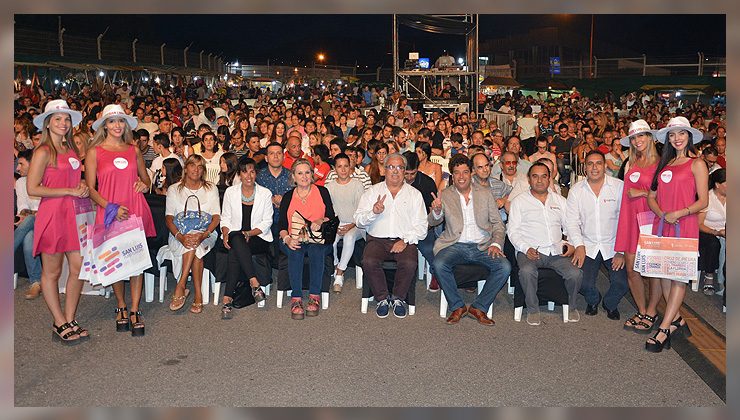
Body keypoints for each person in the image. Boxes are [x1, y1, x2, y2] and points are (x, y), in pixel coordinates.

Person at [86, 104, 155, 337]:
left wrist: (144, 185)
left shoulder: (133, 149)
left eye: (121, 121)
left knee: (136, 260)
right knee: (114, 260)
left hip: (134, 208)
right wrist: (111, 208)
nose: (117, 125)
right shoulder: (94, 151)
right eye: (112, 121)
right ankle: (121, 306)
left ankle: (135, 309)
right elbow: (90, 188)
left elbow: (147, 180)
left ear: (126, 124)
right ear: (104, 125)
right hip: (110, 211)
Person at [27, 100, 89, 344]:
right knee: (52, 272)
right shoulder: (43, 151)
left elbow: (73, 180)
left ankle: (69, 318)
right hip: (53, 214)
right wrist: (68, 190)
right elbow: (33, 188)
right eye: (58, 119)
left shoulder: (71, 148)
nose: (63, 123)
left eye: (66, 119)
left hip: (74, 214)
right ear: (48, 123)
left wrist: (80, 186)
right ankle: (59, 320)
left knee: (79, 267)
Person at [644, 117, 708, 352]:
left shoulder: (697, 164)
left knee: (678, 276)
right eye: (672, 135)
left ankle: (664, 329)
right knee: (663, 274)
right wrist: (663, 214)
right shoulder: (665, 164)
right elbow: (651, 196)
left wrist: (680, 212)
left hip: (685, 225)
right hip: (664, 224)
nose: (676, 138)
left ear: (689, 136)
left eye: (681, 133)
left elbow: (703, 200)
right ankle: (677, 320)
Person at [429, 154, 512, 325]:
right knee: (438, 264)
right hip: (455, 244)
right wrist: (436, 211)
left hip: (482, 245)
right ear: (452, 175)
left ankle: (479, 307)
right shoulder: (445, 194)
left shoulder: (484, 194)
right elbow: (433, 221)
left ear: (471, 173)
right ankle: (457, 305)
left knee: (504, 267)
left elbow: (498, 224)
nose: (461, 177)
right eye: (457, 173)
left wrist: (496, 243)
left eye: (465, 172)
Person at [507, 163, 583, 325]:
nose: (539, 180)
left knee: (575, 274)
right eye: (535, 176)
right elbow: (512, 231)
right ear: (529, 179)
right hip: (530, 250)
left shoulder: (560, 201)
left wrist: (571, 243)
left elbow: (570, 225)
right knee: (526, 271)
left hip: (556, 251)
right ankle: (533, 309)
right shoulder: (519, 202)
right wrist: (525, 248)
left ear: (550, 179)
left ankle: (571, 306)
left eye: (544, 176)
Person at [354, 153, 428, 319]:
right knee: (369, 261)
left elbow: (422, 226)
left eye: (400, 167)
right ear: (384, 169)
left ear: (405, 171)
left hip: (404, 239)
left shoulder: (414, 194)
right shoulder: (373, 192)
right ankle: (382, 299)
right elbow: (358, 220)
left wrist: (405, 240)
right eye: (391, 167)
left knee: (409, 262)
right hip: (377, 240)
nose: (395, 171)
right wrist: (373, 212)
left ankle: (398, 298)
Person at [566, 151, 628, 320]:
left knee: (621, 284)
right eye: (590, 164)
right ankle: (593, 299)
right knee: (582, 282)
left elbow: (625, 220)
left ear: (605, 165)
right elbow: (571, 222)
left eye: (598, 163)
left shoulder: (618, 186)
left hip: (614, 245)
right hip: (588, 244)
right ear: (584, 167)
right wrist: (579, 246)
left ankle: (609, 304)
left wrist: (621, 251)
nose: (594, 167)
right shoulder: (576, 190)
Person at [614, 120, 663, 334]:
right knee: (632, 269)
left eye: (641, 136)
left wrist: (643, 193)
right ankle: (642, 310)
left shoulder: (661, 163)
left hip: (650, 220)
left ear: (650, 137)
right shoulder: (630, 162)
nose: (637, 141)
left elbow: (667, 196)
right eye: (633, 138)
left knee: (652, 271)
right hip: (629, 219)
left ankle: (652, 312)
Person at [277, 158, 336, 320]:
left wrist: (320, 220)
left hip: (318, 239)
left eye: (307, 172)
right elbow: (281, 224)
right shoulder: (288, 196)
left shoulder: (322, 192)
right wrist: (287, 239)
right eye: (300, 173)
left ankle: (314, 296)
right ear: (293, 177)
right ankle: (296, 298)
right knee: (295, 250)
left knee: (316, 251)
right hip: (292, 237)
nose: (304, 176)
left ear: (312, 174)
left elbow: (330, 216)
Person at [165, 155, 221, 315]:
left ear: (203, 170)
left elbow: (216, 217)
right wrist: (180, 236)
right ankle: (198, 294)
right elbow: (169, 218)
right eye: (192, 165)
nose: (196, 170)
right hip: (178, 234)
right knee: (194, 246)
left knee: (195, 239)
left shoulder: (211, 188)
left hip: (207, 233)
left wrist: (204, 234)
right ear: (186, 168)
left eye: (200, 166)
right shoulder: (174, 189)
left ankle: (181, 285)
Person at [219, 157, 274, 319]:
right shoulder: (231, 192)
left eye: (252, 171)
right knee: (236, 239)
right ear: (239, 174)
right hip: (236, 236)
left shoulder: (265, 193)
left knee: (237, 242)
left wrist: (249, 233)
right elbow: (226, 218)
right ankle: (253, 284)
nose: (249, 176)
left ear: (256, 173)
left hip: (259, 238)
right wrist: (225, 234)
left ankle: (228, 297)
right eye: (244, 172)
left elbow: (267, 222)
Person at [325, 153, 366, 293]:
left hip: (356, 224)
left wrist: (351, 224)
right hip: (336, 224)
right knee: (331, 240)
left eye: (346, 166)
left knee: (349, 237)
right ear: (334, 169)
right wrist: (335, 225)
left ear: (350, 167)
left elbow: (361, 209)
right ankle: (337, 264)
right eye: (339, 166)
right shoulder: (330, 187)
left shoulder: (357, 185)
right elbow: (328, 210)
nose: (343, 170)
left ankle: (339, 274)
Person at [14, 149, 42, 299]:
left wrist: (32, 214)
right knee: (28, 236)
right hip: (30, 224)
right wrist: (32, 214)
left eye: (21, 164)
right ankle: (36, 282)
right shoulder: (20, 182)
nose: (18, 168)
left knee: (30, 220)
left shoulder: (46, 179)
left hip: (49, 222)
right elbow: (23, 209)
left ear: (33, 164)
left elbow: (45, 209)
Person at [698, 168, 726, 295]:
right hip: (708, 231)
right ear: (717, 185)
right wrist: (716, 232)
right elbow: (699, 224)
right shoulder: (708, 198)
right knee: (714, 244)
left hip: (726, 230)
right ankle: (709, 276)